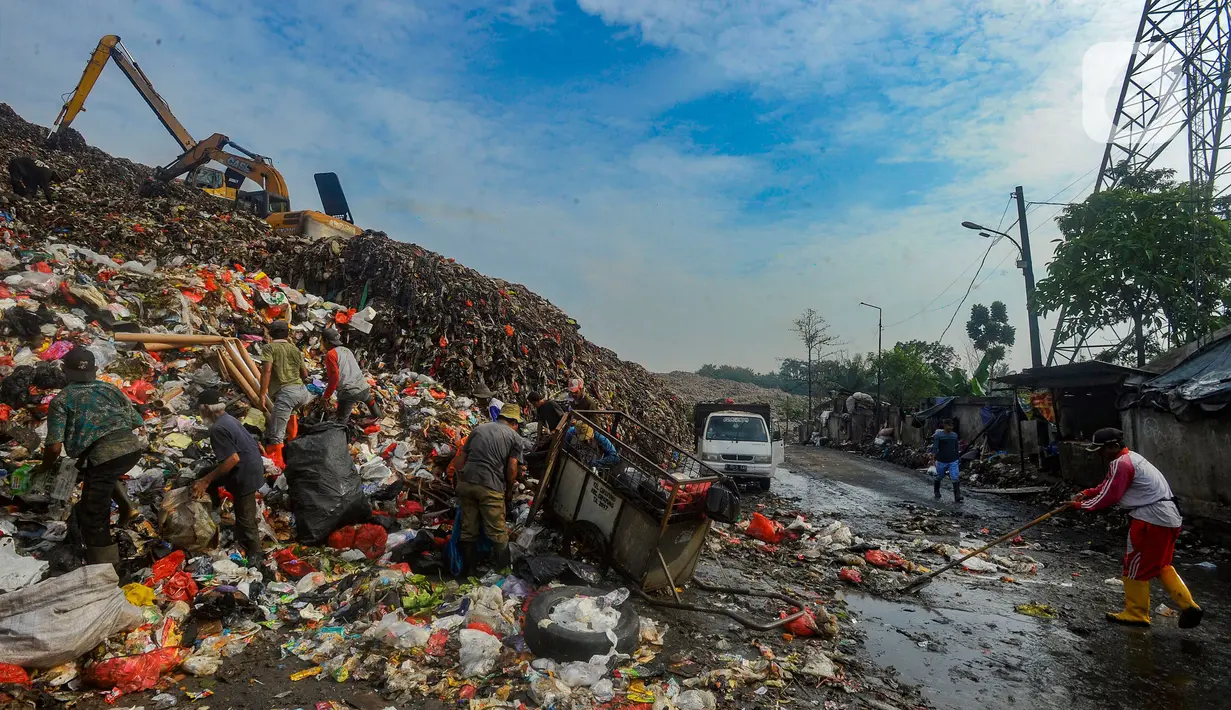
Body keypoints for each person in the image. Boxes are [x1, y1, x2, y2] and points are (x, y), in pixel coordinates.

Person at [1071, 428, 1201, 628]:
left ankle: (1136, 613)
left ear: (1113, 446)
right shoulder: (1133, 459)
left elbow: (1110, 495)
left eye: (1101, 449)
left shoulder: (1120, 464)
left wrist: (1081, 505)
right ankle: (1189, 605)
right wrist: (1088, 492)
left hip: (1149, 519)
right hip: (1169, 517)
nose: (1099, 454)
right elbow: (1108, 485)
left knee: (1134, 565)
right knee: (1161, 565)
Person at [39, 347, 145, 567]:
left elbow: (54, 448)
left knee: (94, 514)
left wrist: (43, 468)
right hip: (131, 450)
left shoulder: (62, 400)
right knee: (101, 474)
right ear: (95, 370)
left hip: (104, 455)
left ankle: (105, 568)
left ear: (66, 372)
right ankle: (127, 507)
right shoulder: (110, 389)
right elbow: (136, 421)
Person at [191, 389, 266, 566]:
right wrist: (206, 478)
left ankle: (256, 555)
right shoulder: (229, 419)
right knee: (204, 473)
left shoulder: (217, 428)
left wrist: (206, 481)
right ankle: (214, 513)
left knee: (245, 516)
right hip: (252, 465)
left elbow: (232, 460)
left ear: (206, 408)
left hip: (245, 472)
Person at [450, 404, 524, 573]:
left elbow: (460, 459)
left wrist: (460, 482)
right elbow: (512, 468)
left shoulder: (478, 429)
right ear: (513, 422)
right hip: (490, 486)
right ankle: (504, 573)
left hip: (467, 482)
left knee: (468, 529)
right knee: (498, 532)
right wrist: (509, 491)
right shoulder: (515, 437)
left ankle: (468, 572)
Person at [258, 320, 311, 468]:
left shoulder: (269, 348)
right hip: (302, 393)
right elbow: (305, 374)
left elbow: (266, 371)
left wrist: (262, 395)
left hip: (286, 394)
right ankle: (293, 448)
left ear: (270, 333)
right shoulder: (295, 349)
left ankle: (278, 467)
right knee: (291, 415)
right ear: (287, 334)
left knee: (276, 434)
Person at [320, 328, 375, 424]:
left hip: (349, 393)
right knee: (372, 405)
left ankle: (340, 436)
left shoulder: (330, 354)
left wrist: (326, 396)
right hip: (363, 387)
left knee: (341, 422)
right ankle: (381, 420)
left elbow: (334, 378)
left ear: (326, 341)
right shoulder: (347, 350)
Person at [930, 419, 961, 502]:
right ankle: (936, 491)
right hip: (941, 460)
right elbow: (935, 447)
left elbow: (956, 447)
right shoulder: (938, 435)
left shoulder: (954, 435)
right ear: (944, 425)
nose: (951, 427)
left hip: (953, 460)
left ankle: (957, 496)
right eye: (949, 425)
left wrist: (958, 457)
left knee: (955, 477)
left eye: (952, 425)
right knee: (939, 476)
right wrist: (933, 458)